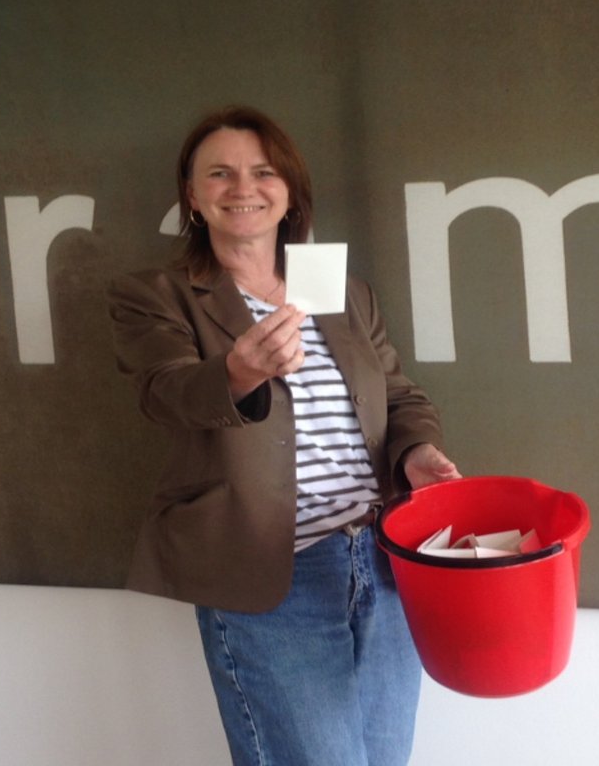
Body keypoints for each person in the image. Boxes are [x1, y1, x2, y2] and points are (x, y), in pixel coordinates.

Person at [107, 105, 461, 765]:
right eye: (220, 173)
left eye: (263, 171)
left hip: (384, 562)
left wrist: (416, 452)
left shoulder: (342, 291)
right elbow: (164, 393)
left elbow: (398, 395)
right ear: (192, 196)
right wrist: (237, 372)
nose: (243, 187)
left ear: (290, 191)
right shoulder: (156, 293)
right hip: (274, 574)